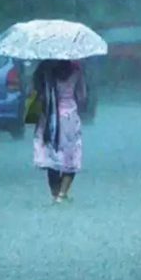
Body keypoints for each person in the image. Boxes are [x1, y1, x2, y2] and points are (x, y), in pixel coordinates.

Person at [32, 59, 87, 204]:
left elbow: (35, 93)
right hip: (69, 117)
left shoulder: (44, 69)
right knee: (71, 156)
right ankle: (62, 194)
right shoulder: (76, 69)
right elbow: (82, 95)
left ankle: (55, 193)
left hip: (49, 117)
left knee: (52, 158)